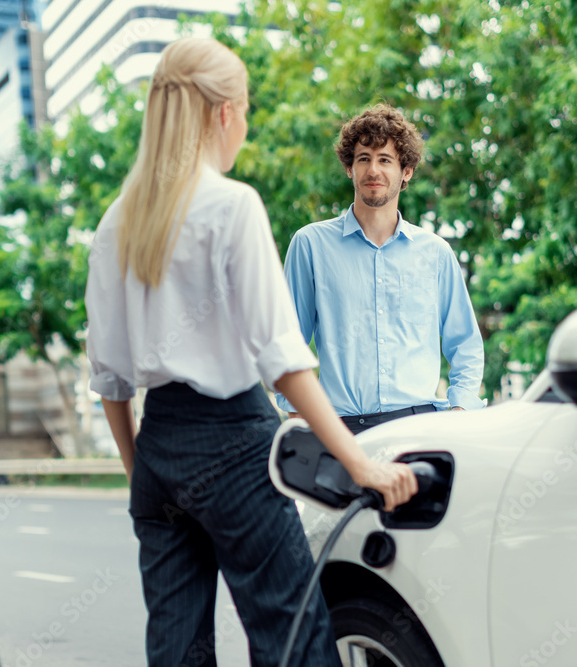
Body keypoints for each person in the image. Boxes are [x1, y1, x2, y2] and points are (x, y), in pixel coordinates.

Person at [84, 38, 417, 667]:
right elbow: (284, 362)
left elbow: (111, 381)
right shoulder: (230, 205)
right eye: (246, 109)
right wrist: (362, 466)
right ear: (222, 114)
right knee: (293, 641)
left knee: (178, 653)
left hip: (158, 447)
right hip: (233, 445)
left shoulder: (115, 222)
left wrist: (141, 475)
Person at [275, 104, 485, 434]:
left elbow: (466, 345)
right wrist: (297, 416)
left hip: (421, 427)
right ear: (349, 168)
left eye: (385, 159)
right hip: (341, 431)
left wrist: (459, 409)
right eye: (364, 158)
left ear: (407, 172)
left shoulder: (436, 254)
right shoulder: (310, 245)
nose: (374, 169)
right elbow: (288, 341)